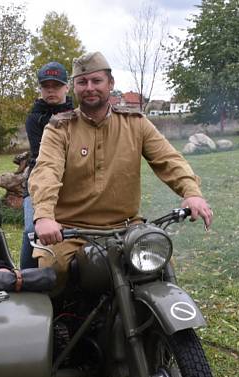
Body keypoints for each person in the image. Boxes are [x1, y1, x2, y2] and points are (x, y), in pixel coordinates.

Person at [29, 51, 213, 286]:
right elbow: (46, 171)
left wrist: (192, 193)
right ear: (74, 87)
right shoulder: (59, 128)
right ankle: (62, 323)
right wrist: (44, 216)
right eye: (82, 82)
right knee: (52, 273)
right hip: (70, 230)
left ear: (111, 83)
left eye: (97, 81)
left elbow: (169, 159)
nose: (89, 88)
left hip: (126, 226)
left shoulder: (135, 123)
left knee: (162, 267)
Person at [19, 61, 75, 269]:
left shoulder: (79, 116)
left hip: (72, 180)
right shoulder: (35, 118)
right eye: (46, 86)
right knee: (30, 230)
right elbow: (42, 156)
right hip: (38, 179)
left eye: (56, 86)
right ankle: (23, 276)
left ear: (66, 88)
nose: (51, 90)